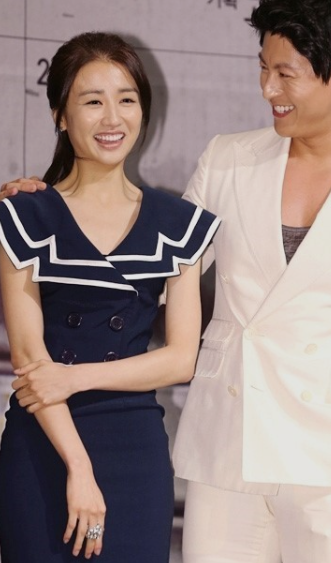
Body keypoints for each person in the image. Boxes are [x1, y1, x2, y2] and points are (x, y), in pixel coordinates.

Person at [4, 1, 331, 562]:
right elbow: (140, 260)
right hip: (227, 453)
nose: (268, 89)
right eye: (263, 68)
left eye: (285, 73)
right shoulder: (227, 159)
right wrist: (44, 211)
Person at [0, 31, 219, 563]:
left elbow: (180, 359)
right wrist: (78, 467)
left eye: (126, 100)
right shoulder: (24, 215)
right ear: (60, 115)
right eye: (92, 102)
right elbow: (29, 356)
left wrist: (74, 377)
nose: (112, 118)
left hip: (133, 449)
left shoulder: (177, 224)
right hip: (43, 445)